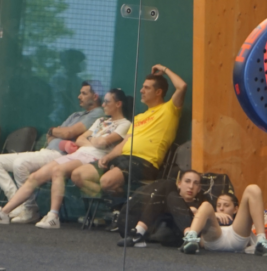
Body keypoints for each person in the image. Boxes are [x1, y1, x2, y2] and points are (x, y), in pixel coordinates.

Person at [0, 89, 131, 228]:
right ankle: (4, 212)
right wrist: (95, 141)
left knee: (58, 170)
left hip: (93, 158)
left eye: (107, 102)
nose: (103, 104)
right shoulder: (100, 120)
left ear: (118, 104)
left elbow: (103, 142)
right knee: (35, 177)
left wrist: (93, 140)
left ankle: (53, 216)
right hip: (78, 154)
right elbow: (80, 139)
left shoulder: (125, 124)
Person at [71, 64, 186, 199]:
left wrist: (164, 69)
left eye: (147, 88)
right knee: (77, 175)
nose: (141, 91)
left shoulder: (169, 109)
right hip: (123, 158)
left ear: (158, 92)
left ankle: (118, 201)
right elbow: (124, 143)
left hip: (144, 162)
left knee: (106, 181)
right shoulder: (138, 118)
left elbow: (182, 86)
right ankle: (117, 200)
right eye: (142, 87)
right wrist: (108, 157)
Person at [118, 167, 208, 247]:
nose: (191, 186)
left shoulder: (202, 206)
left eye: (195, 183)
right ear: (179, 184)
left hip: (182, 233)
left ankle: (189, 237)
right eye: (187, 181)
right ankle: (138, 232)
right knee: (169, 189)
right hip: (165, 228)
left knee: (169, 189)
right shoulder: (168, 199)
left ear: (199, 188)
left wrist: (198, 214)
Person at [180, 186, 267, 256]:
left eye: (226, 205)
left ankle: (261, 241)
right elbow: (192, 212)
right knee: (205, 205)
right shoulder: (213, 214)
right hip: (215, 237)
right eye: (218, 205)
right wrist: (214, 214)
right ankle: (190, 239)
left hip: (236, 235)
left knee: (253, 189)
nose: (221, 208)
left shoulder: (239, 220)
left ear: (235, 209)